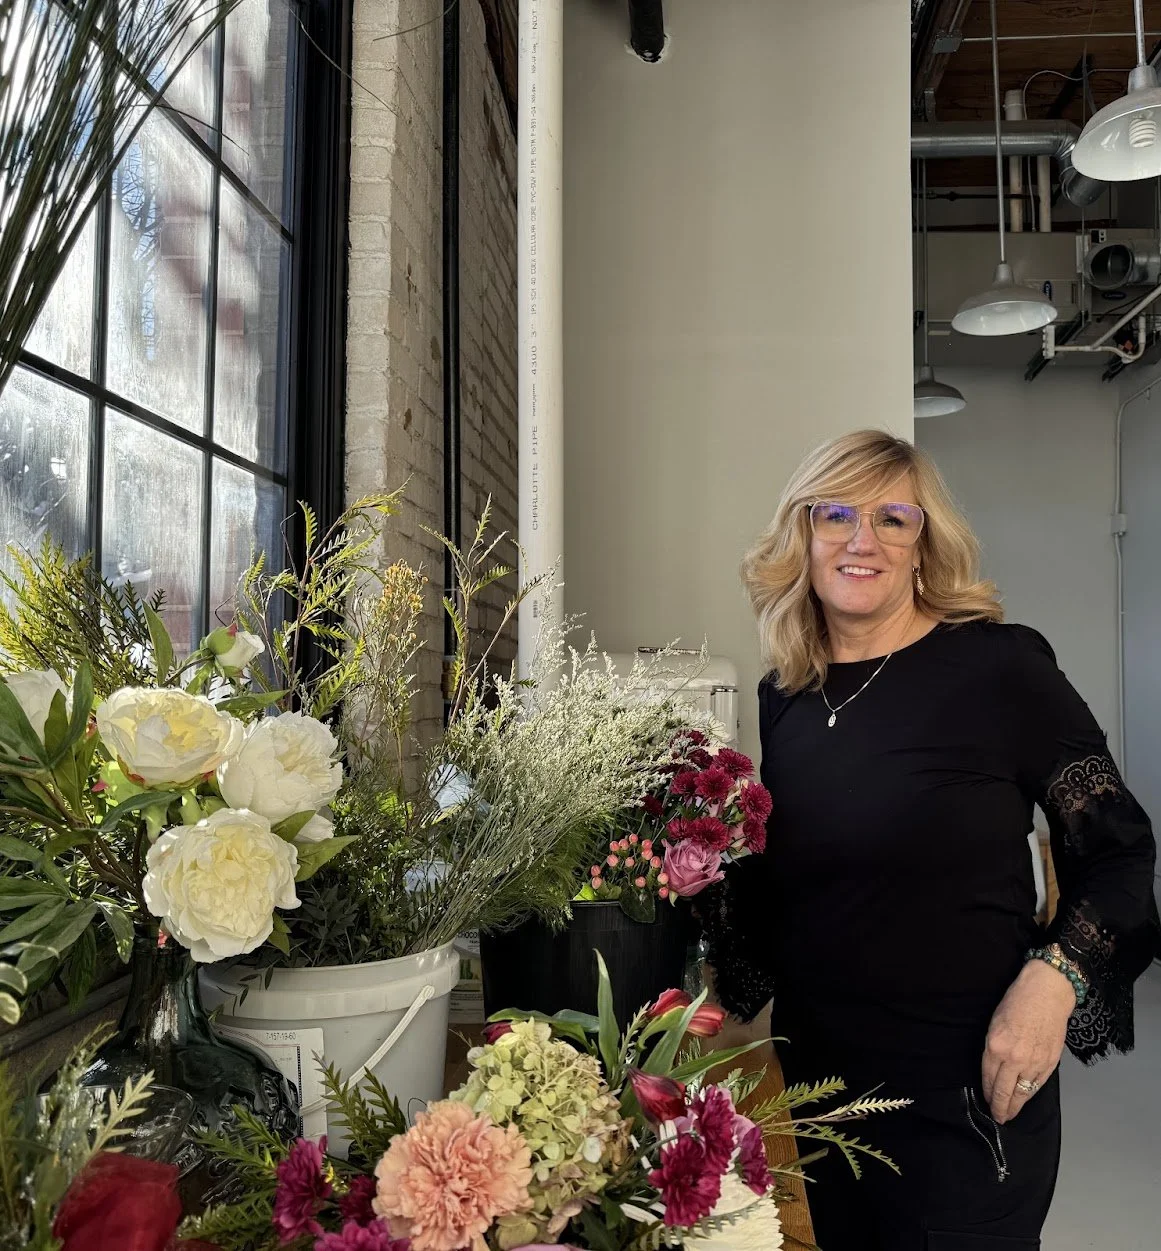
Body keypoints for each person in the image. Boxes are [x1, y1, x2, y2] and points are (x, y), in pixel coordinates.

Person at [701, 429, 1160, 1250]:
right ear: (801, 536)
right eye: (834, 513)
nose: (860, 538)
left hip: (964, 1094)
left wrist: (1051, 983)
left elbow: (1119, 853)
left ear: (923, 544)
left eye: (892, 518)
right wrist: (697, 981)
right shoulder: (789, 693)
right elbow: (795, 883)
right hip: (821, 1088)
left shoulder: (997, 669)